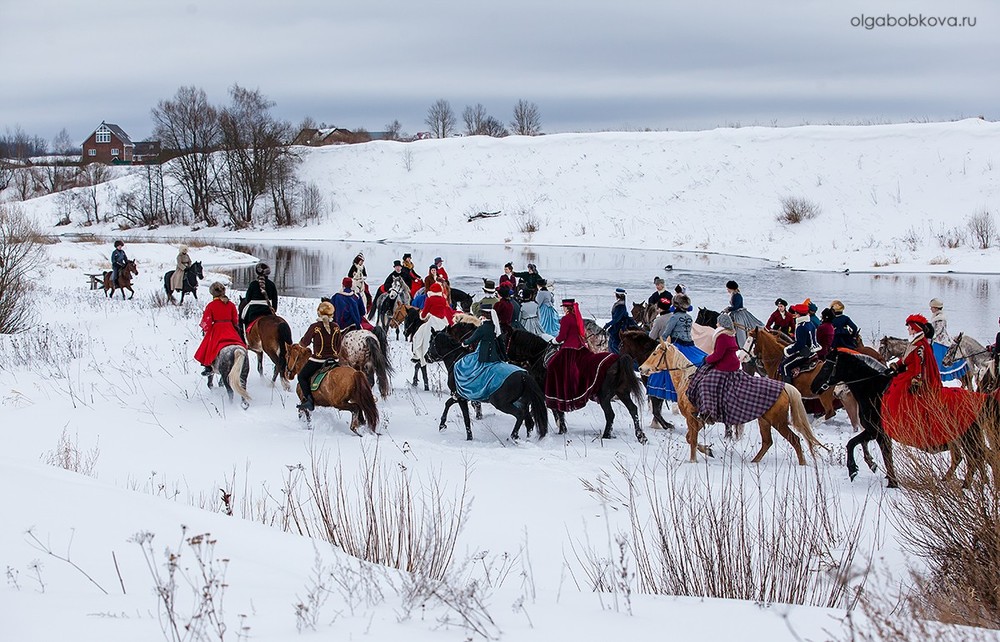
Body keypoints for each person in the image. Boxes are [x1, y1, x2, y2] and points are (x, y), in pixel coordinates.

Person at [882, 314, 983, 450]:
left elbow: (919, 365)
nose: (908, 330)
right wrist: (896, 365)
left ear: (914, 328)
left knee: (897, 397)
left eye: (909, 328)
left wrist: (916, 380)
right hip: (908, 374)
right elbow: (906, 358)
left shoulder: (920, 345)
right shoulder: (916, 342)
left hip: (914, 377)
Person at [295, 301, 344, 411]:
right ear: (332, 314)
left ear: (319, 313)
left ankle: (309, 401)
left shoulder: (315, 327)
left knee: (302, 377)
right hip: (334, 361)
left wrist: (301, 343)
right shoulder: (336, 327)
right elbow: (339, 346)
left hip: (318, 361)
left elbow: (304, 343)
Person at [194, 282, 245, 376]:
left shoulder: (211, 305)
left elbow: (207, 322)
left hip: (217, 329)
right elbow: (235, 320)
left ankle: (208, 366)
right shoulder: (231, 305)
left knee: (207, 346)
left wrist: (205, 329)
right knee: (241, 344)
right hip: (230, 328)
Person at [412, 282, 455, 367]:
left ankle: (418, 355)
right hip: (443, 320)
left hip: (432, 320)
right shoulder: (443, 299)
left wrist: (422, 316)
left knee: (419, 335)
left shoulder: (429, 299)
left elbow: (424, 314)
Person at [928, 298, 966, 381]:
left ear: (935, 308)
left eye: (932, 307)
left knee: (936, 359)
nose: (930, 309)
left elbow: (937, 331)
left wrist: (928, 336)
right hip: (937, 340)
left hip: (940, 342)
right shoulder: (936, 317)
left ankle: (935, 374)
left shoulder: (940, 319)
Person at [779, 303, 818, 383]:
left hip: (805, 354)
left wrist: (788, 351)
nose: (795, 315)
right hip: (813, 351)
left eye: (796, 313)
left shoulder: (801, 327)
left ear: (799, 314)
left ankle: (788, 389)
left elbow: (800, 345)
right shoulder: (811, 324)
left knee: (784, 366)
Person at [722, 280, 764, 350]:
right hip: (734, 313)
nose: (727, 290)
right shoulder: (733, 295)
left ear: (731, 288)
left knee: (739, 330)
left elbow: (736, 307)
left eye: (728, 288)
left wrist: (728, 309)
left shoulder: (737, 296)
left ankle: (741, 345)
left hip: (739, 314)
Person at [241, 262, 278, 333]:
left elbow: (248, 299)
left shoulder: (253, 284)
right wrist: (274, 309)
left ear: (257, 272)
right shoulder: (272, 284)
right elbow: (275, 301)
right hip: (267, 310)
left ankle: (244, 334)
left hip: (254, 311)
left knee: (243, 318)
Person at [604, 287, 639, 354]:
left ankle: (618, 357)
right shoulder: (621, 304)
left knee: (614, 344)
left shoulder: (621, 306)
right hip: (618, 325)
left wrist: (607, 324)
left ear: (618, 295)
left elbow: (616, 319)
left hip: (620, 327)